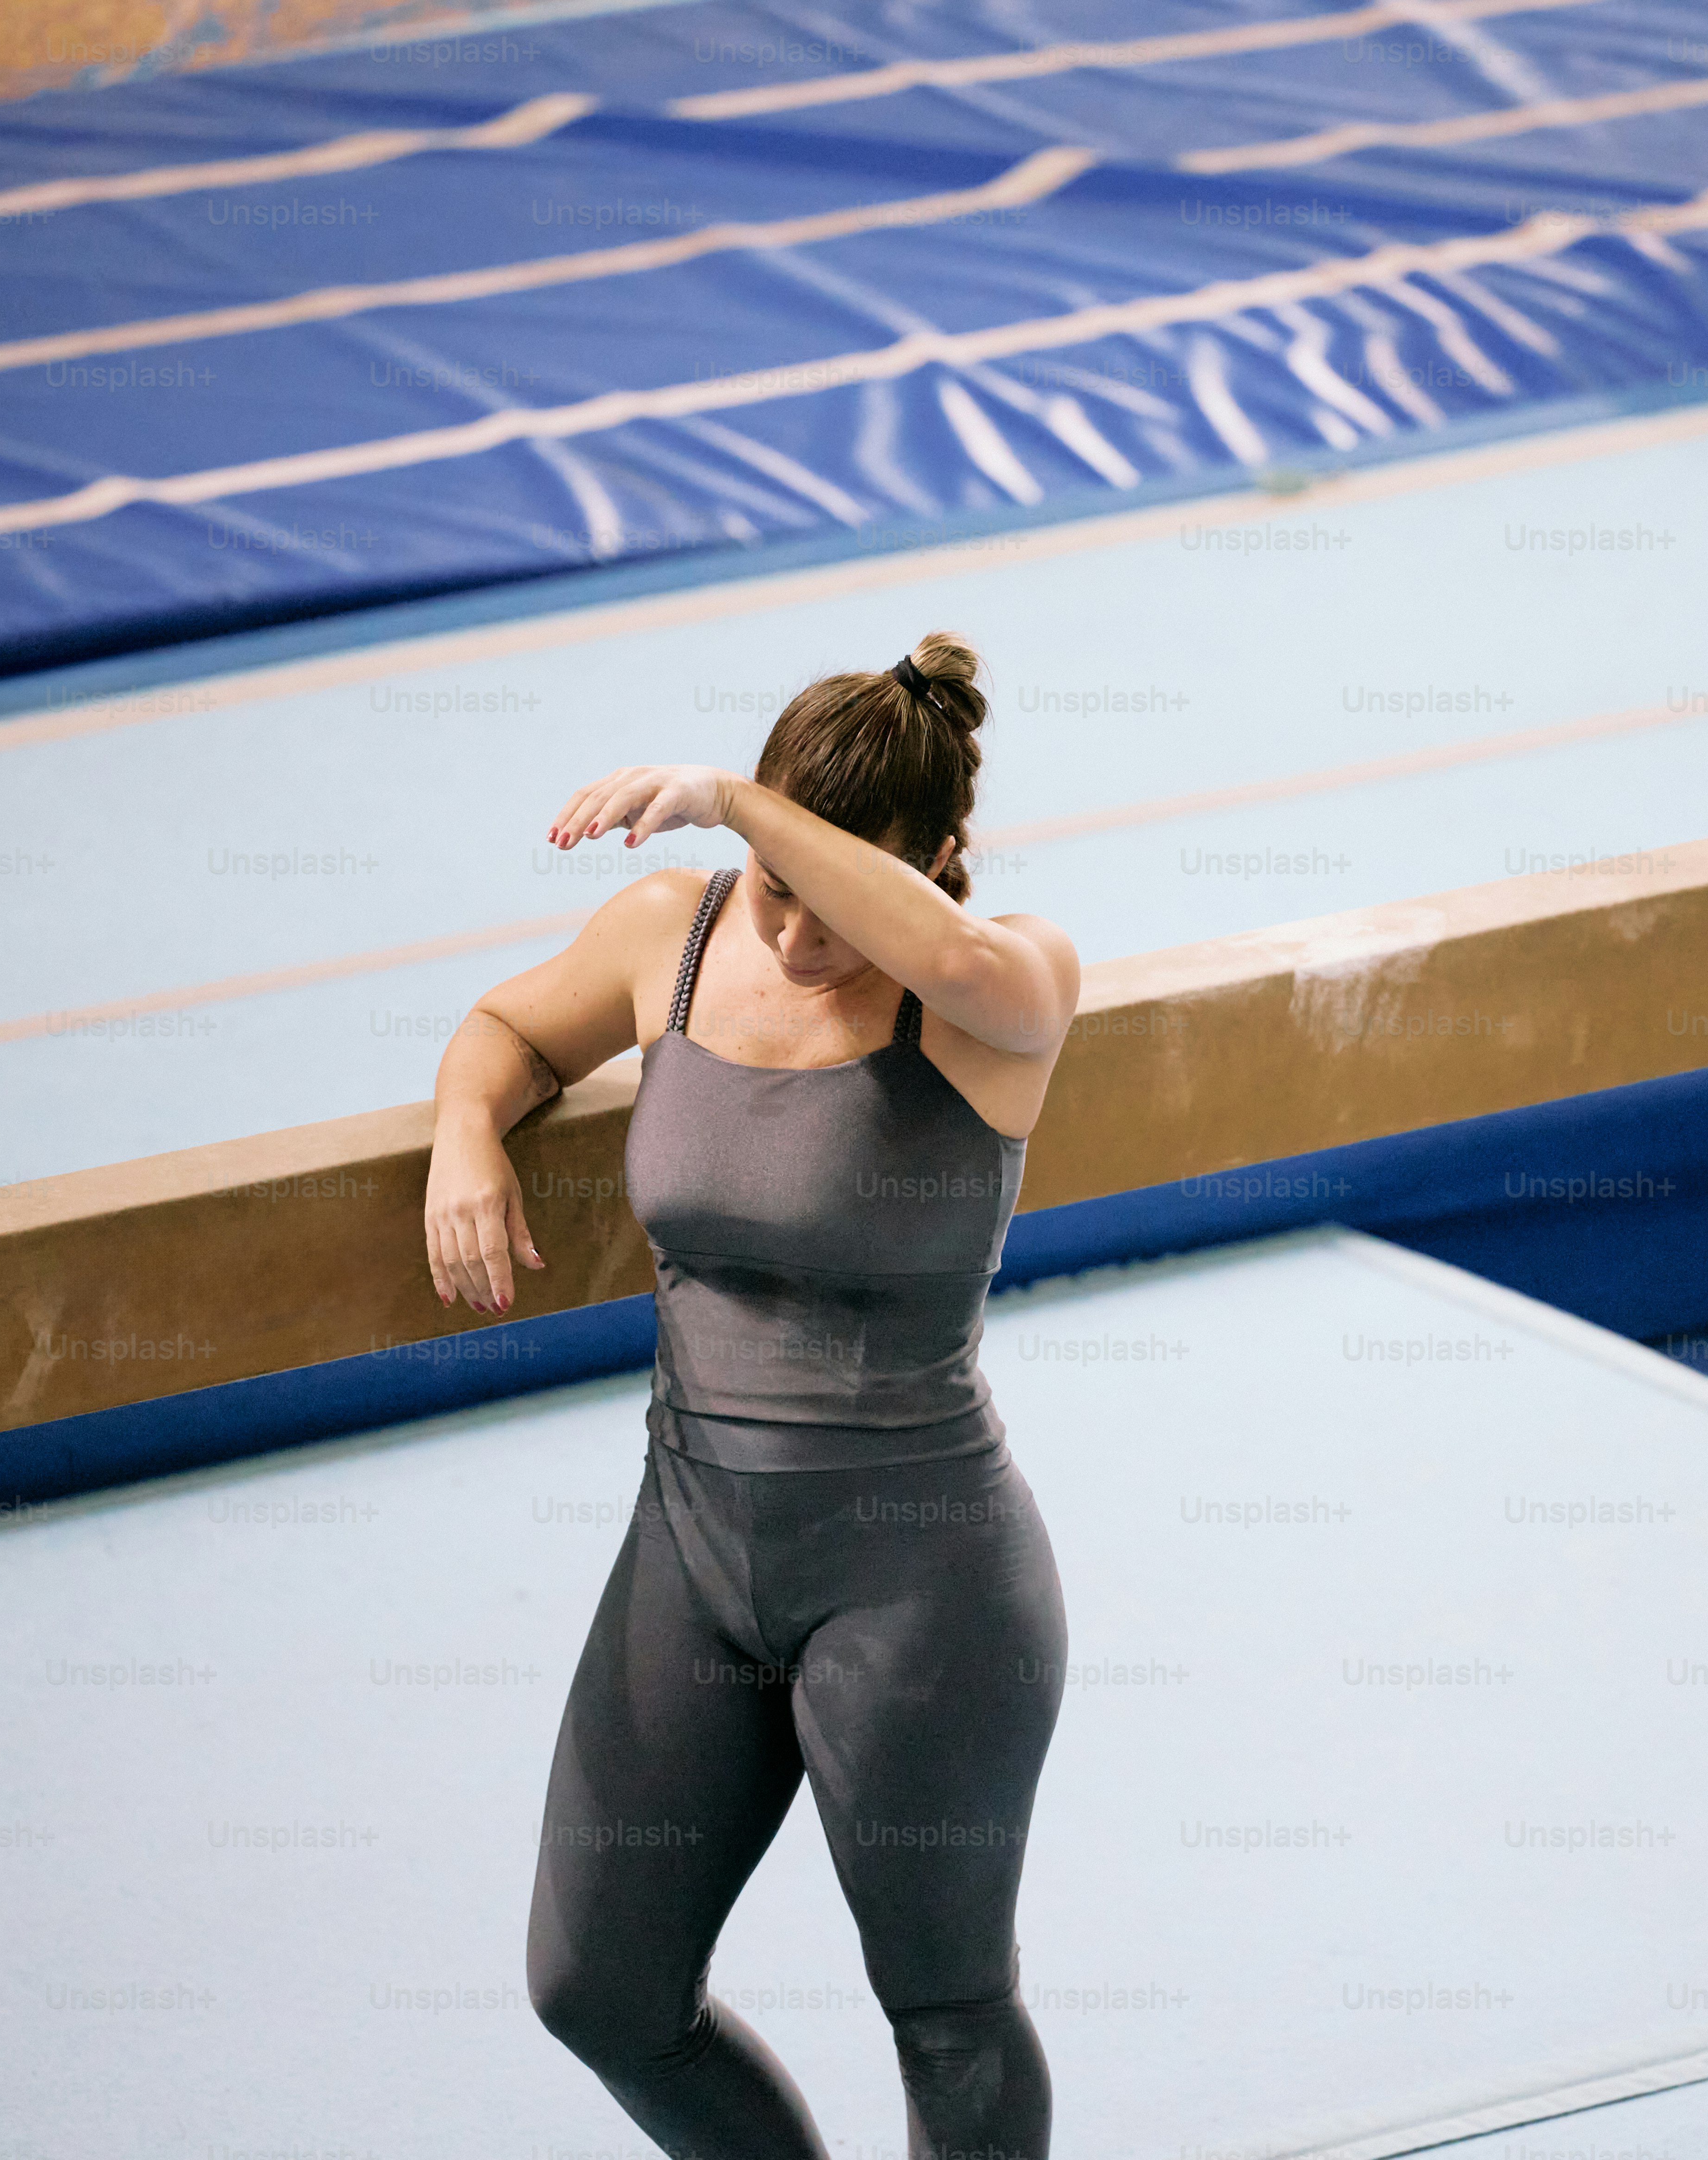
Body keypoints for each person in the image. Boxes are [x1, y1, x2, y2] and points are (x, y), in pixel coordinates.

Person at [419, 631, 1080, 2160]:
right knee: (597, 1985)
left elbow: (969, 962)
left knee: (946, 2012)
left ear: (936, 864)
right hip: (694, 1549)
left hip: (920, 1580)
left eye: (837, 893)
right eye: (776, 887)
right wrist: (469, 1127)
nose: (791, 934)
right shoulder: (680, 930)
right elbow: (512, 1030)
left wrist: (729, 795)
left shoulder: (1002, 985)